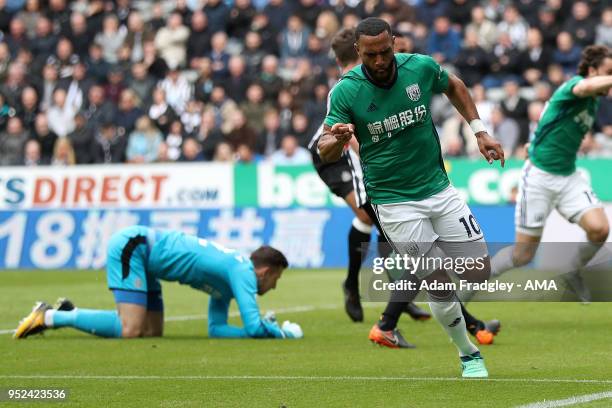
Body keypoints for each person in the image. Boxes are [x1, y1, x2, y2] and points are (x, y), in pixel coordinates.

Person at [318, 18, 504, 378]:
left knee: (478, 272)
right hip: (393, 201)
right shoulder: (346, 91)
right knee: (435, 280)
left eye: (386, 51)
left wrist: (480, 132)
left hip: (438, 188)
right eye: (371, 54)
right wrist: (337, 139)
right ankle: (468, 354)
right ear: (359, 52)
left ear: (394, 44)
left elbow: (455, 85)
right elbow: (325, 148)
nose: (380, 60)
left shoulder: (419, 67)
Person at [14, 226, 303, 340]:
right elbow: (252, 327)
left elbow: (216, 330)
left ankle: (75, 313)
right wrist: (282, 333)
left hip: (150, 263)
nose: (274, 287)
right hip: (136, 247)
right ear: (264, 271)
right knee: (131, 330)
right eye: (275, 279)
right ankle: (51, 316)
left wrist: (264, 328)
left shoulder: (229, 280)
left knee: (152, 332)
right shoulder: (242, 272)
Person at [490, 45, 612, 302]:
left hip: (568, 176)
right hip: (539, 177)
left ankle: (572, 271)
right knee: (523, 256)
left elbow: (551, 125)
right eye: (608, 72)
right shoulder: (575, 86)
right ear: (592, 71)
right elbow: (583, 88)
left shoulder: (593, 103)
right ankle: (473, 281)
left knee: (600, 229)